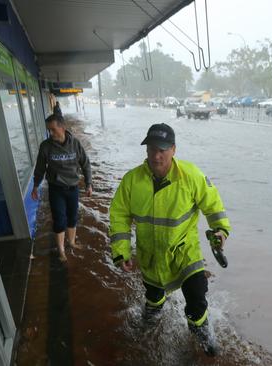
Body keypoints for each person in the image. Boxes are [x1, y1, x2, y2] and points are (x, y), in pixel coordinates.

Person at [109, 123, 231, 356]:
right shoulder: (132, 181)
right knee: (154, 299)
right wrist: (121, 251)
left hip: (185, 253)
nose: (156, 155)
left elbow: (213, 205)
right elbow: (118, 215)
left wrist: (220, 230)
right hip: (151, 256)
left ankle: (202, 333)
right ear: (146, 149)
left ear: (174, 149)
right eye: (152, 148)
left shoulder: (191, 176)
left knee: (196, 298)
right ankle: (151, 316)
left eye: (163, 149)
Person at [32, 114, 92, 262]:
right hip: (56, 188)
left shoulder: (75, 144)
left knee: (72, 217)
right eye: (49, 130)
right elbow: (40, 168)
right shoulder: (45, 146)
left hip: (73, 187)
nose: (51, 133)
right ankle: (61, 251)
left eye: (53, 129)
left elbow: (85, 164)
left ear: (63, 127)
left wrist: (89, 183)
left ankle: (71, 243)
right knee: (59, 220)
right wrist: (35, 185)